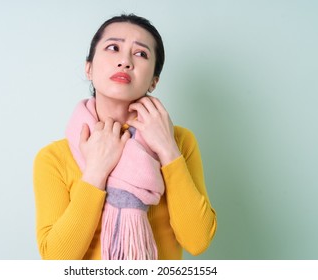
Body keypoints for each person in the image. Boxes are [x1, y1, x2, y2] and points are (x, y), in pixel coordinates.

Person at [33, 13, 217, 260]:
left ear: (154, 81)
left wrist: (168, 149)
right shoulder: (54, 157)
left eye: (141, 54)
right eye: (113, 48)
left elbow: (198, 241)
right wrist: (96, 171)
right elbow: (56, 259)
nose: (125, 61)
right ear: (89, 68)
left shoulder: (180, 141)